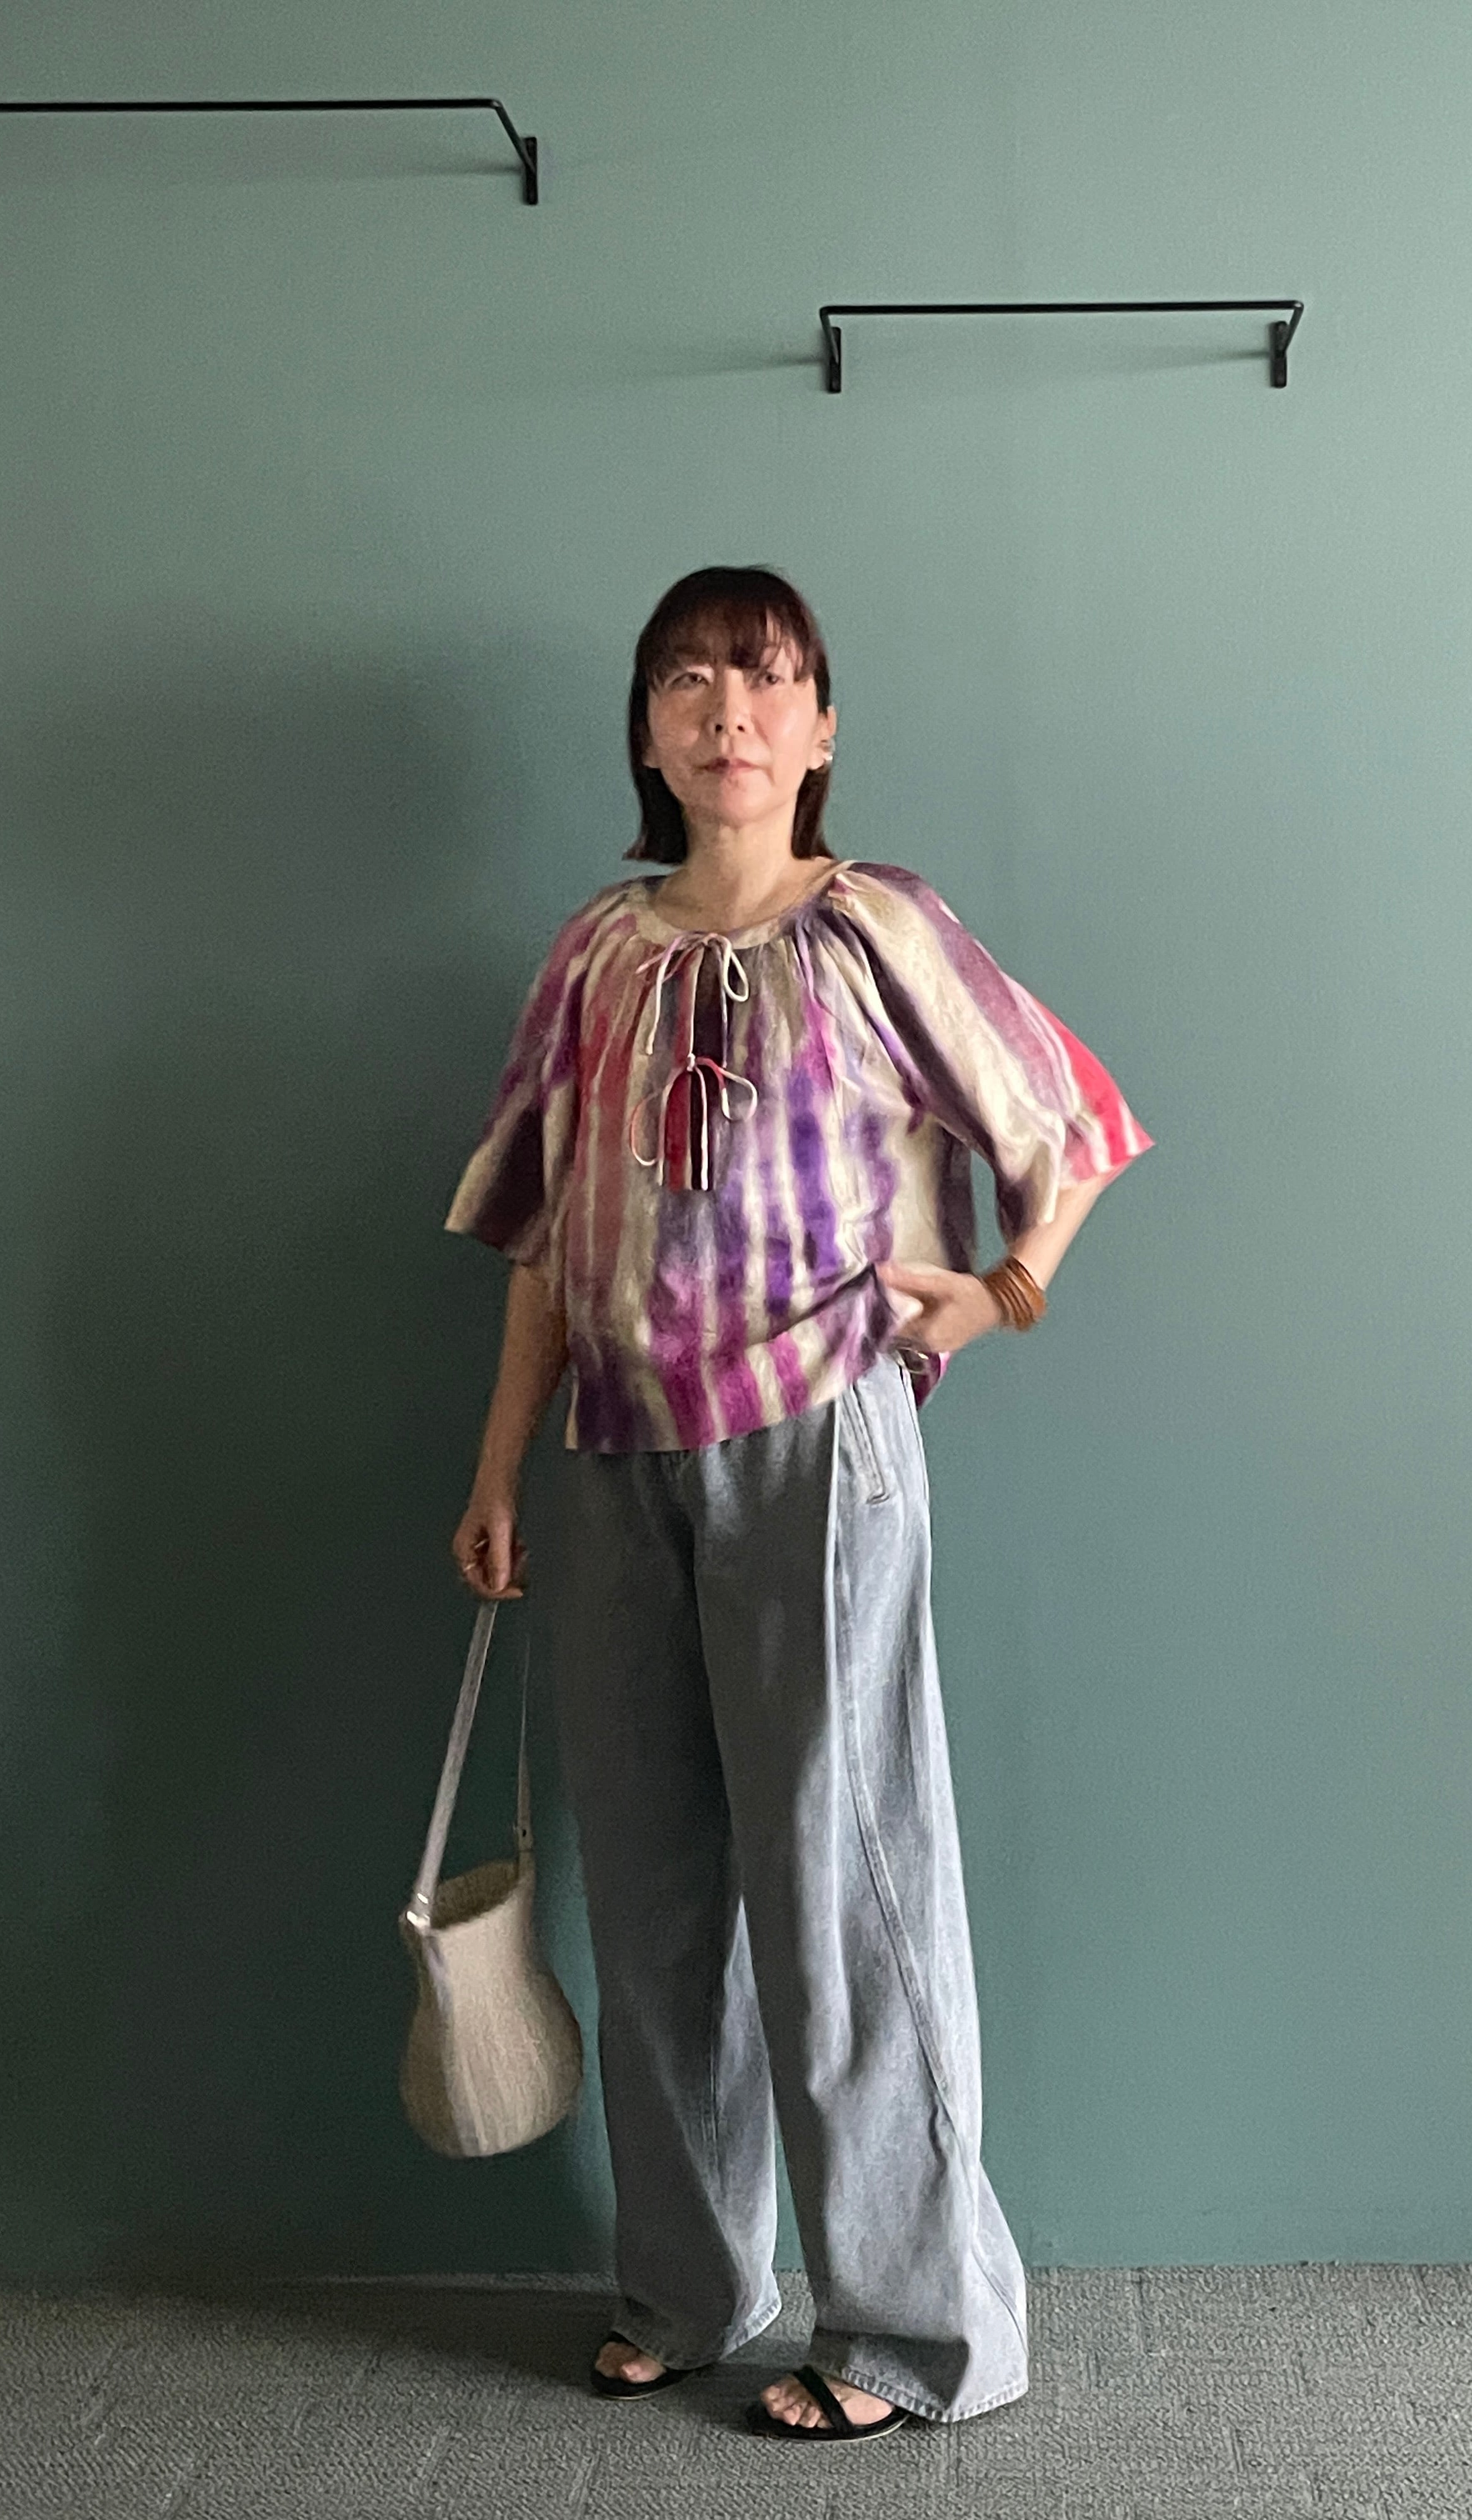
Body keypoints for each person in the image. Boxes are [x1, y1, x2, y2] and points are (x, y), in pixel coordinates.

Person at [445, 564, 1152, 2443]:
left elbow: (1070, 1129)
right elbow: (541, 1239)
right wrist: (501, 1463)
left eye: (765, 681)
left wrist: (1002, 1293)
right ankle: (692, 2287)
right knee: (656, 1892)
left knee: (845, 1883)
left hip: (815, 1440)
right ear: (648, 731)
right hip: (610, 1451)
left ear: (821, 729)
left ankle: (920, 2335)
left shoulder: (879, 929)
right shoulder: (592, 957)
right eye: (688, 682)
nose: (727, 713)